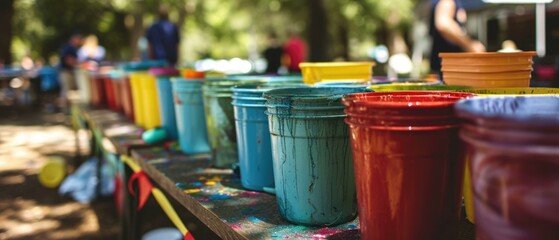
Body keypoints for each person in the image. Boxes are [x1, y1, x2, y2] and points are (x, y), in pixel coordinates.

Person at [429, 0, 485, 73]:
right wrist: (470, 45)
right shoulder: (448, 1)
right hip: (447, 68)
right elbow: (443, 24)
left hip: (447, 67)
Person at [58, 33, 82, 112]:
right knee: (66, 90)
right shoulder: (69, 48)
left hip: (69, 72)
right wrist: (79, 64)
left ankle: (68, 109)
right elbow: (69, 61)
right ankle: (65, 110)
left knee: (69, 91)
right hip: (65, 72)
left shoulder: (73, 48)